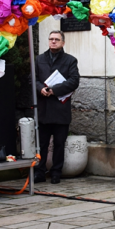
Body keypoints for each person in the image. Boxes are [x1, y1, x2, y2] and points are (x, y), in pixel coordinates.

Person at [34, 30, 80, 184]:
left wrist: (54, 90)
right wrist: (40, 88)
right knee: (42, 144)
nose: (53, 41)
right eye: (51, 39)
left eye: (56, 39)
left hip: (60, 110)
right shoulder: (39, 59)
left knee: (60, 144)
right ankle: (39, 172)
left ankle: (56, 173)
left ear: (63, 42)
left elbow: (74, 81)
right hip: (44, 108)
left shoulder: (70, 60)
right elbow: (32, 79)